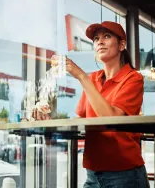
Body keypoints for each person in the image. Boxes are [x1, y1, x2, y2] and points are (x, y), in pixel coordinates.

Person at [33, 21, 149, 188]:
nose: (99, 41)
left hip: (124, 175)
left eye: (106, 36)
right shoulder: (93, 78)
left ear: (122, 45)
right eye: (96, 39)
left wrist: (81, 76)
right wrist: (49, 121)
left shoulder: (133, 78)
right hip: (93, 174)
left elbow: (110, 119)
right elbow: (80, 120)